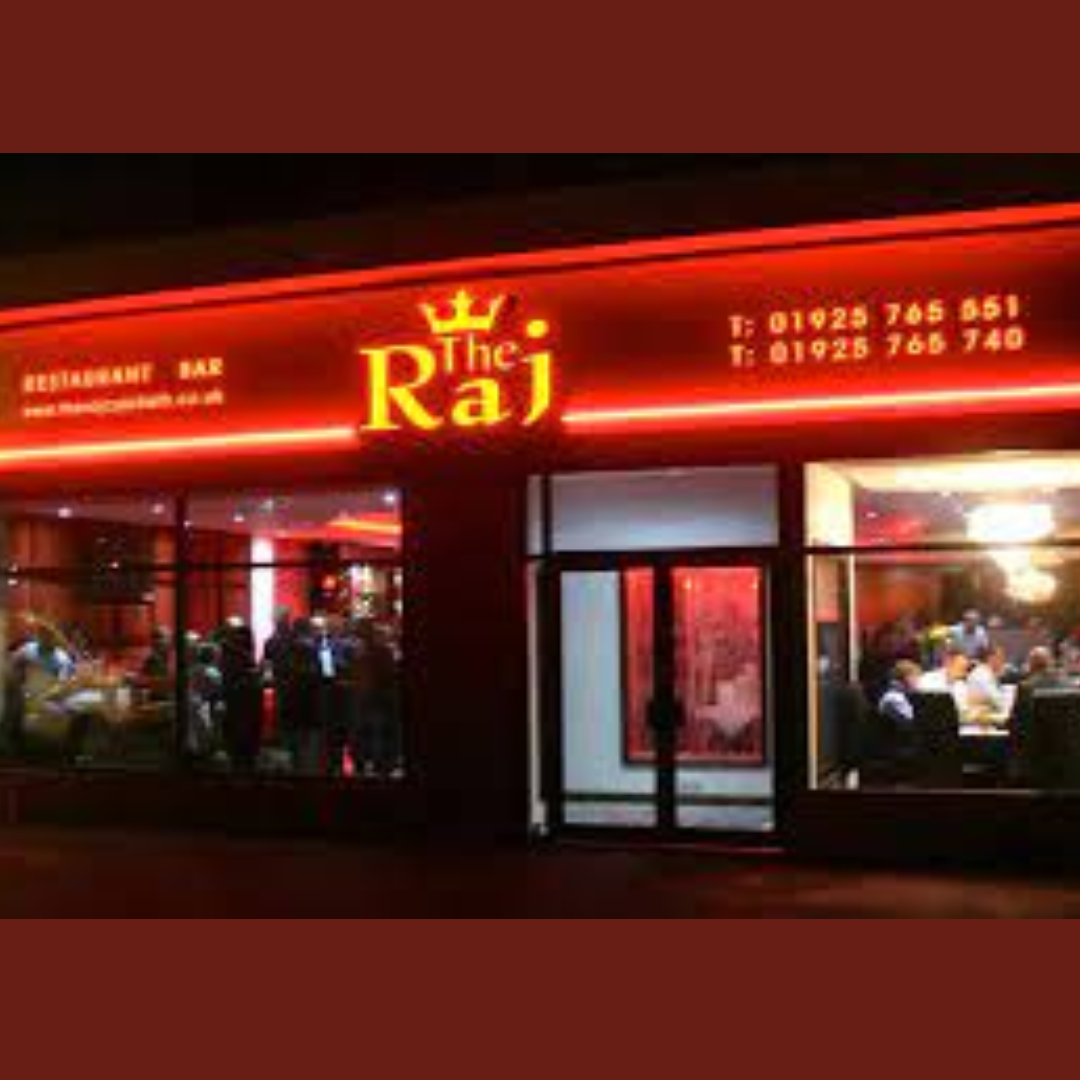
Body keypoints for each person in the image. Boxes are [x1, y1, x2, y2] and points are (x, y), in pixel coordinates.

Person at [1012, 647, 1072, 780]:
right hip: (1065, 754)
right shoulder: (1067, 684)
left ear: (1030, 666)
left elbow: (1017, 723)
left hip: (1034, 754)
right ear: (1050, 663)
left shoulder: (1025, 687)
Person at [218, 618, 262, 772]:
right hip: (240, 705)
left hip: (241, 705)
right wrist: (252, 676)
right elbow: (233, 680)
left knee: (241, 745)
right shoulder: (233, 654)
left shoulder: (231, 653)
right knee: (242, 745)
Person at [967, 645, 1011, 715]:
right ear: (991, 658)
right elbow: (998, 701)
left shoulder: (986, 672)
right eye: (1001, 658)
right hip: (980, 717)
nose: (1003, 662)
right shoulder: (982, 675)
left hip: (987, 713)